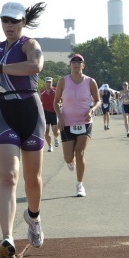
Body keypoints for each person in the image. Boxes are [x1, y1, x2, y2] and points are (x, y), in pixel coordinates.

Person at [0, 1, 46, 258]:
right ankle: (7, 238)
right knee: (8, 177)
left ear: (23, 22)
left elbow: (35, 66)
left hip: (30, 110)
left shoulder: (30, 44)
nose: (9, 26)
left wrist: (1, 68)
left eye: (14, 21)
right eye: (5, 20)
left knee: (33, 180)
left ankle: (33, 218)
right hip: (4, 111)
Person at [53, 54, 100, 197]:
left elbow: (98, 101)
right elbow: (55, 103)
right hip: (67, 123)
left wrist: (92, 110)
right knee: (68, 157)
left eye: (79, 62)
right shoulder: (63, 81)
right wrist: (60, 118)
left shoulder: (90, 82)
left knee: (80, 152)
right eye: (73, 62)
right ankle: (70, 160)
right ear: (70, 65)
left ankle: (80, 185)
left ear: (83, 65)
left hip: (85, 122)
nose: (76, 64)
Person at [40, 76, 60, 152]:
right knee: (46, 130)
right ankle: (50, 146)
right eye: (47, 82)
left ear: (52, 82)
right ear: (45, 82)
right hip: (45, 112)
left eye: (50, 82)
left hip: (54, 111)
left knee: (55, 130)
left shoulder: (56, 90)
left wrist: (60, 104)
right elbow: (39, 101)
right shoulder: (42, 92)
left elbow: (60, 100)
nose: (48, 83)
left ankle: (56, 137)